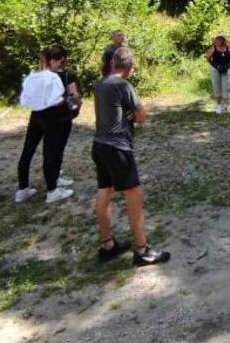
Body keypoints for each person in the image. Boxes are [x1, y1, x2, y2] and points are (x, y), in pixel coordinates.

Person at [92, 47, 171, 267]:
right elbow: (141, 116)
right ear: (130, 68)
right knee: (134, 194)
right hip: (118, 147)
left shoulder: (101, 84)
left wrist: (127, 113)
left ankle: (108, 245)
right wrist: (131, 114)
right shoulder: (124, 85)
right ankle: (142, 250)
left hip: (99, 145)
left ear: (112, 64)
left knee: (105, 192)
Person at [16, 46, 77, 204]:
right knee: (52, 153)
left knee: (28, 151)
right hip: (56, 119)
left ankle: (23, 189)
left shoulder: (36, 76)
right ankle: (52, 189)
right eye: (60, 59)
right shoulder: (64, 76)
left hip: (37, 115)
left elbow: (28, 96)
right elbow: (72, 96)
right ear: (56, 60)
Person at [205, 34, 230, 115]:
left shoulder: (228, 48)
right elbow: (208, 58)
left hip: (226, 69)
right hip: (215, 69)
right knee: (216, 87)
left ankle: (229, 106)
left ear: (224, 40)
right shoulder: (213, 48)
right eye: (218, 39)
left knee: (227, 87)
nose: (219, 41)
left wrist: (226, 66)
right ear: (215, 40)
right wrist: (215, 66)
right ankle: (219, 106)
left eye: (221, 39)